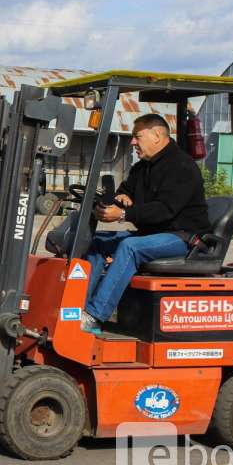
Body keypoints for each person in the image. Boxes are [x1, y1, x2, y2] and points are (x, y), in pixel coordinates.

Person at [81, 113, 210, 335]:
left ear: (157, 135)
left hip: (181, 237)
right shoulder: (143, 167)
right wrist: (121, 198)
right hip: (153, 234)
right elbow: (126, 191)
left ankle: (94, 316)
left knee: (130, 247)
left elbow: (164, 209)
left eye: (136, 137)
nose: (132, 142)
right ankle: (77, 308)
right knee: (98, 242)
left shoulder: (181, 166)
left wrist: (123, 215)